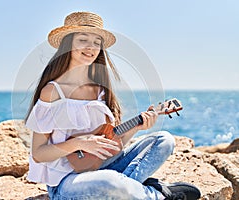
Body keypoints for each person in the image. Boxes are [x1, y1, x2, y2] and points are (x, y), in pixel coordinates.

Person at [25, 11, 201, 200]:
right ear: (67, 44)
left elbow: (109, 147)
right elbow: (39, 153)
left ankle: (129, 191)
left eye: (96, 42)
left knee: (164, 140)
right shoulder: (53, 92)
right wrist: (78, 143)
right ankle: (157, 195)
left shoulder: (101, 90)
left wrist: (137, 128)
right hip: (67, 183)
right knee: (109, 182)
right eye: (83, 39)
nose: (90, 47)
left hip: (103, 167)